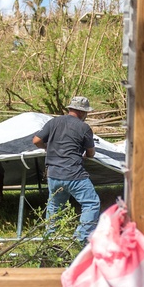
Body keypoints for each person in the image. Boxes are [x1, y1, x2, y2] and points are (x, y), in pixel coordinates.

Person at [33, 95, 100, 243]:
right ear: (82, 112)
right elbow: (91, 153)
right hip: (74, 173)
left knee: (55, 205)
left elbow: (36, 140)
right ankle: (80, 239)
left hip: (53, 174)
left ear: (70, 108)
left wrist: (48, 148)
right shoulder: (84, 127)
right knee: (91, 203)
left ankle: (50, 239)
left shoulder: (53, 122)